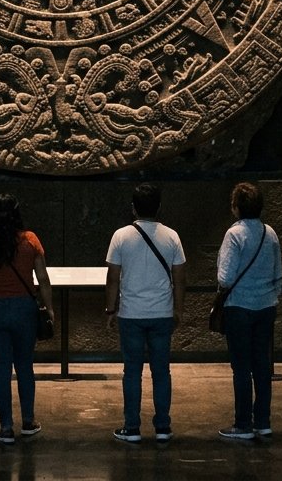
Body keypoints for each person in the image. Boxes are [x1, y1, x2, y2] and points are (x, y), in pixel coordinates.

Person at [0, 194, 55, 445]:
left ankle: (6, 427)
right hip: (24, 309)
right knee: (25, 366)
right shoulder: (30, 240)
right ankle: (28, 421)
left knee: (1, 369)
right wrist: (49, 309)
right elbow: (43, 279)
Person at [104, 182, 186, 444]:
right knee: (162, 371)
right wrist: (178, 309)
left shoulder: (120, 236)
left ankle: (132, 427)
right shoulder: (172, 236)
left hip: (131, 314)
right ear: (159, 207)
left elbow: (113, 278)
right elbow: (180, 278)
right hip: (162, 313)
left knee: (132, 371)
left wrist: (110, 308)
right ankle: (162, 426)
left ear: (133, 208)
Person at [216, 181, 282, 441]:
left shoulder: (234, 235)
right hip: (266, 307)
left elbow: (225, 277)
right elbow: (278, 273)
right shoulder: (270, 233)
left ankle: (243, 423)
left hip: (239, 308)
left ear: (236, 208)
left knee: (241, 367)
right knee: (262, 367)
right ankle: (263, 421)